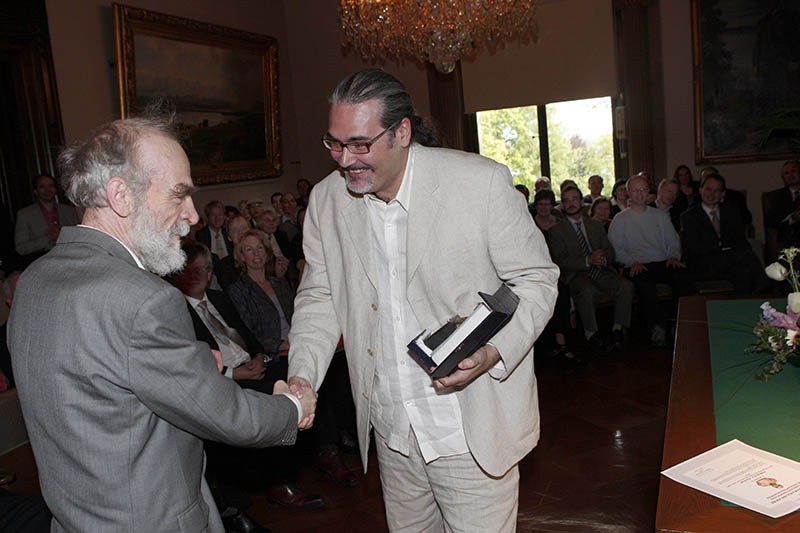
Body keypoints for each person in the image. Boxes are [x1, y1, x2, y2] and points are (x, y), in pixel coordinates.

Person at [7, 116, 314, 532]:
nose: (191, 216)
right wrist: (292, 407)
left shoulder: (35, 280)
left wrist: (196, 364)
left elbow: (98, 386)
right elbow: (227, 415)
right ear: (121, 196)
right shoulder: (143, 298)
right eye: (178, 195)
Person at [287, 69, 558, 531]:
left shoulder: (480, 183)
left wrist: (493, 350)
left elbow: (536, 280)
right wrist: (302, 377)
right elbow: (319, 297)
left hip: (470, 428)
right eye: (334, 144)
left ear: (402, 132)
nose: (345, 159)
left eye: (359, 143)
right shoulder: (326, 200)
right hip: (391, 432)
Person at [608, 174, 691, 347]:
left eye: (643, 190)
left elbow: (672, 241)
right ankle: (656, 327)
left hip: (662, 262)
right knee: (646, 286)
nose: (640, 194)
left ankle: (679, 324)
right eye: (635, 190)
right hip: (637, 265)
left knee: (683, 278)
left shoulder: (660, 215)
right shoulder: (620, 219)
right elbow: (615, 250)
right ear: (629, 192)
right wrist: (631, 261)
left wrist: (674, 255)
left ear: (649, 192)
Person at [548, 186, 632, 353]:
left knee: (626, 286)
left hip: (601, 270)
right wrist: (587, 260)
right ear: (563, 205)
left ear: (581, 202)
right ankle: (591, 334)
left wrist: (603, 258)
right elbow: (559, 260)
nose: (571, 203)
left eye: (574, 199)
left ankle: (617, 330)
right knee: (586, 289)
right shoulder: (556, 231)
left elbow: (610, 251)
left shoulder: (595, 225)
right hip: (576, 274)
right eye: (566, 201)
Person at [680, 173, 767, 295]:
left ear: (722, 194)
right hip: (704, 264)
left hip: (731, 263)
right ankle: (765, 287)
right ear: (700, 190)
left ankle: (742, 305)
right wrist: (726, 251)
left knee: (744, 269)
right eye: (708, 189)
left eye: (717, 191)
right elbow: (696, 247)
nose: (712, 194)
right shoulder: (688, 216)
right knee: (745, 259)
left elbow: (740, 240)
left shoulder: (732, 212)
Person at [227, 229, 294, 356]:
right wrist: (280, 345)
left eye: (260, 248)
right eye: (249, 249)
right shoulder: (238, 290)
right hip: (273, 355)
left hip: (297, 344)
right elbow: (248, 333)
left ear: (267, 252)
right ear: (242, 256)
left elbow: (296, 315)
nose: (256, 254)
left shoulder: (280, 283)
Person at [14, 173, 79, 259]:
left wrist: (63, 235)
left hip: (71, 258)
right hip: (41, 262)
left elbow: (80, 238)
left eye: (51, 186)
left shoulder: (70, 211)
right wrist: (47, 238)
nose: (47, 190)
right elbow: (21, 248)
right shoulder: (24, 214)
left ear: (55, 190)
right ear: (35, 191)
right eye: (42, 187)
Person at [764, 160, 800, 261]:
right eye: (786, 173)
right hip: (790, 237)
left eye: (793, 171)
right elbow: (771, 222)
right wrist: (792, 218)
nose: (790, 175)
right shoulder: (776, 197)